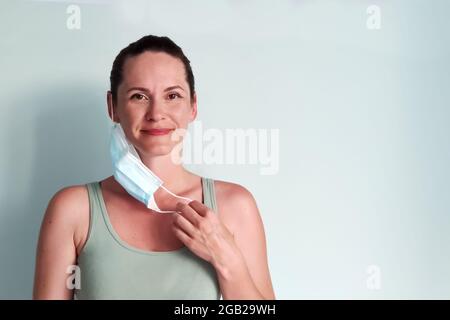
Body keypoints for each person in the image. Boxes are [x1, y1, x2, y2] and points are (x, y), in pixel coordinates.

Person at [33, 35, 275, 300]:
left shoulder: (234, 206)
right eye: (139, 96)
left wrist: (229, 261)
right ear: (112, 107)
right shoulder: (74, 210)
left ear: (193, 106)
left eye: (172, 95)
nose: (156, 113)